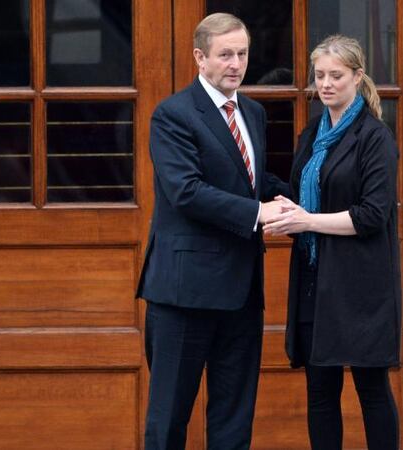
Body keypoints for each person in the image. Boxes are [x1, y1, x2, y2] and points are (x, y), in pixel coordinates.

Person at [135, 13, 289, 450]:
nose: (236, 64)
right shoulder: (173, 114)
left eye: (242, 54)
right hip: (184, 294)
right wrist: (259, 213)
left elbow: (255, 181)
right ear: (201, 57)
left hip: (242, 291)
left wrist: (302, 202)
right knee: (168, 421)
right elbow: (186, 191)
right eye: (226, 55)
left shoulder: (254, 113)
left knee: (233, 422)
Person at [264, 35, 401, 450]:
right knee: (320, 392)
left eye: (336, 75)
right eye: (319, 75)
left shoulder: (375, 137)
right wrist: (288, 208)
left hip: (360, 282)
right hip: (313, 276)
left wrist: (307, 220)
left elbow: (372, 216)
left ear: (358, 77)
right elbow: (308, 194)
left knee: (370, 388)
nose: (325, 84)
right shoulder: (311, 133)